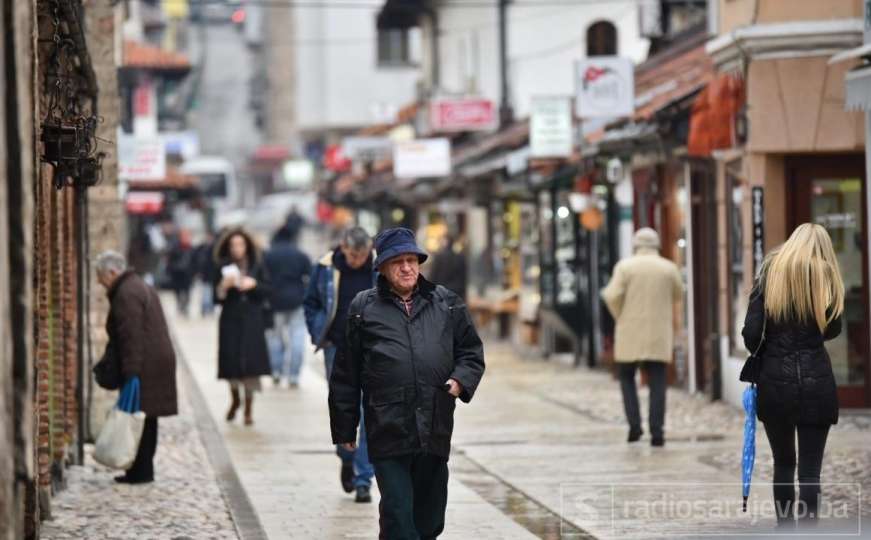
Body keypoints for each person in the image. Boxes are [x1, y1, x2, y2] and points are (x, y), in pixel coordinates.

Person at [329, 227, 486, 539]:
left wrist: (458, 382)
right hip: (387, 426)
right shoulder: (363, 308)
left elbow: (471, 353)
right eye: (397, 261)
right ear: (383, 268)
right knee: (399, 514)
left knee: (429, 519)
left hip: (434, 424)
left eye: (412, 260)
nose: (406, 267)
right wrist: (346, 429)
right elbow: (345, 373)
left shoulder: (447, 303)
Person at [741, 223, 844, 530]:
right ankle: (809, 532)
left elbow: (751, 334)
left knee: (784, 464)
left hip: (775, 381)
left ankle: (785, 530)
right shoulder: (826, 275)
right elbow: (833, 329)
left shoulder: (770, 272)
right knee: (811, 471)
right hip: (818, 381)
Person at [303, 226, 376, 503]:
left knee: (369, 410)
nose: (357, 260)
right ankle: (346, 456)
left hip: (373, 348)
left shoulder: (379, 266)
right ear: (343, 248)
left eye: (362, 254)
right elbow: (310, 303)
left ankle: (363, 479)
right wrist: (319, 332)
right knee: (345, 408)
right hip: (337, 349)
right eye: (353, 255)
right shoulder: (324, 267)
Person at [96, 251, 177, 484]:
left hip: (144, 364)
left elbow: (130, 335)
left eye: (101, 276)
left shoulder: (126, 293)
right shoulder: (135, 286)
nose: (100, 282)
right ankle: (141, 470)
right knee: (146, 418)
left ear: (112, 272)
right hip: (153, 361)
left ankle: (141, 472)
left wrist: (131, 372)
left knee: (140, 417)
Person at [601, 227, 682, 447]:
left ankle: (634, 427)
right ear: (656, 245)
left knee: (627, 379)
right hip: (658, 334)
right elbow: (678, 293)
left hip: (630, 332)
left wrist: (621, 315)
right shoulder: (668, 268)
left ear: (636, 245)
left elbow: (610, 295)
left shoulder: (625, 267)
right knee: (658, 382)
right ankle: (657, 432)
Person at [213, 228, 273, 426]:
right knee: (231, 363)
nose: (237, 249)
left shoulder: (257, 265)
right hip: (230, 319)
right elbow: (216, 297)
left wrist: (253, 284)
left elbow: (268, 291)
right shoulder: (223, 266)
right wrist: (224, 286)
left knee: (251, 366)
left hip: (252, 320)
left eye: (240, 244)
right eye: (233, 245)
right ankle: (235, 399)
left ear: (246, 245)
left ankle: (248, 408)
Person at [264, 225, 311, 387]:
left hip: (274, 301)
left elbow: (263, 277)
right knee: (297, 337)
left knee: (274, 338)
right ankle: (294, 376)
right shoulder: (300, 254)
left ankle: (276, 371)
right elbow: (310, 275)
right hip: (296, 300)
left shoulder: (268, 255)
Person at [427, 234, 468, 300]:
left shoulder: (439, 257)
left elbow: (433, 276)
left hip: (441, 294)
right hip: (457, 293)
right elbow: (463, 279)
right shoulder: (460, 257)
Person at [167, 229, 195, 317]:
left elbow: (195, 261)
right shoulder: (175, 248)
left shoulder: (191, 248)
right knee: (178, 291)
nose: (186, 238)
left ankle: (185, 306)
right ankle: (180, 305)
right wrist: (172, 269)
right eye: (184, 236)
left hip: (188, 274)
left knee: (187, 292)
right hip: (177, 274)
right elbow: (170, 260)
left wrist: (195, 271)